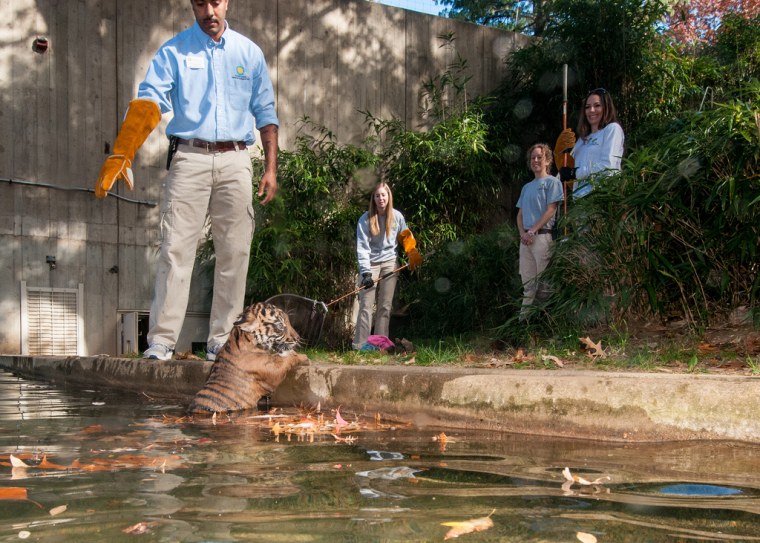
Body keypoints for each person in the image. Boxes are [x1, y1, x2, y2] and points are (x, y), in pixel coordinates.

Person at [94, 0, 279, 361]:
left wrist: (270, 169)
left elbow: (266, 115)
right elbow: (149, 99)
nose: (209, 11)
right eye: (200, 3)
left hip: (237, 159)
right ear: (192, 6)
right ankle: (161, 342)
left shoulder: (249, 53)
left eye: (216, 2)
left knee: (235, 253)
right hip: (189, 158)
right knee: (175, 250)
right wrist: (123, 150)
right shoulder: (174, 51)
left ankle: (221, 341)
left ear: (227, 2)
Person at [353, 182, 422, 350]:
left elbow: (405, 235)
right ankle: (360, 345)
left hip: (390, 263)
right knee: (366, 306)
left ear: (388, 197)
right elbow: (362, 248)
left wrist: (412, 252)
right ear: (373, 199)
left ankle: (380, 344)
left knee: (385, 306)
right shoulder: (365, 219)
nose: (381, 198)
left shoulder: (397, 216)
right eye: (377, 195)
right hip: (370, 264)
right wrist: (366, 273)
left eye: (383, 195)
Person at [516, 143, 564, 318]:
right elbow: (519, 214)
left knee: (544, 285)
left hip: (542, 237)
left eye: (539, 157)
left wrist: (533, 231)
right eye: (533, 158)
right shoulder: (526, 187)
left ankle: (545, 323)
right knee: (528, 285)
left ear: (547, 160)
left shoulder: (553, 183)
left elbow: (551, 209)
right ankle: (524, 323)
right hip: (526, 240)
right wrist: (523, 233)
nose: (535, 160)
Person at [554, 88, 624, 199]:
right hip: (580, 201)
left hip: (602, 198)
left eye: (597, 105)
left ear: (606, 107)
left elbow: (608, 168)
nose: (591, 110)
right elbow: (567, 169)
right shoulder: (583, 139)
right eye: (587, 107)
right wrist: (559, 153)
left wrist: (575, 173)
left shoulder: (612, 129)